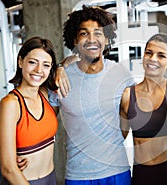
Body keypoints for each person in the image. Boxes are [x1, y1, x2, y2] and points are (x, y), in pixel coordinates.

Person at [49, 5, 134, 185]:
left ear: (107, 39)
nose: (92, 39)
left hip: (117, 171)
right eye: (84, 34)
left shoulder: (121, 74)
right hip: (78, 175)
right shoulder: (60, 80)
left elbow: (127, 120)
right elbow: (46, 126)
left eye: (98, 33)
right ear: (74, 40)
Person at [120, 33, 167, 185]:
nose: (153, 59)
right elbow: (118, 138)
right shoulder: (128, 95)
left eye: (161, 55)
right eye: (149, 52)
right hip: (142, 173)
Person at [0, 36, 59, 185]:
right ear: (20, 62)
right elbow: (8, 169)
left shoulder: (45, 94)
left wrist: (61, 68)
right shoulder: (10, 103)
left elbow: (74, 60)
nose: (39, 70)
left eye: (46, 65)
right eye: (32, 62)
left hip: (51, 179)